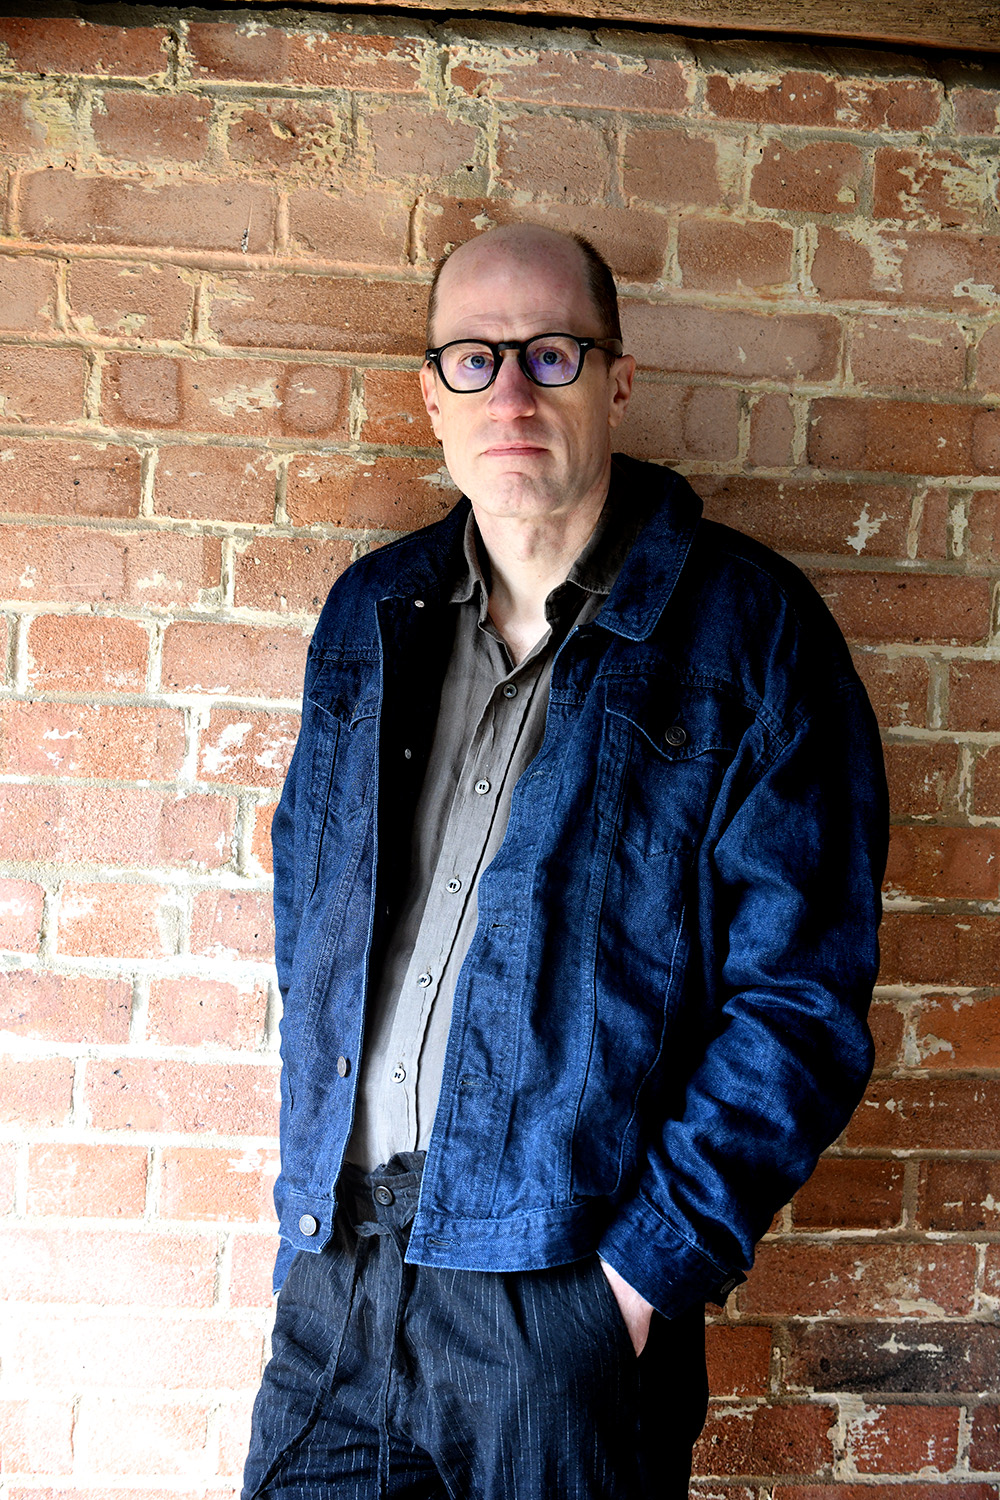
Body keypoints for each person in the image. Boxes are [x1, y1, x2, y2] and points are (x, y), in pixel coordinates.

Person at [243, 223, 888, 1499]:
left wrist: (637, 1280)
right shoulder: (368, 615)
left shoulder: (750, 633)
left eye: (550, 350)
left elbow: (801, 1002)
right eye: (474, 359)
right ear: (432, 394)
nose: (514, 391)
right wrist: (305, 1224)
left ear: (617, 377)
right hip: (337, 1279)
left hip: (561, 1305)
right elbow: (307, 913)